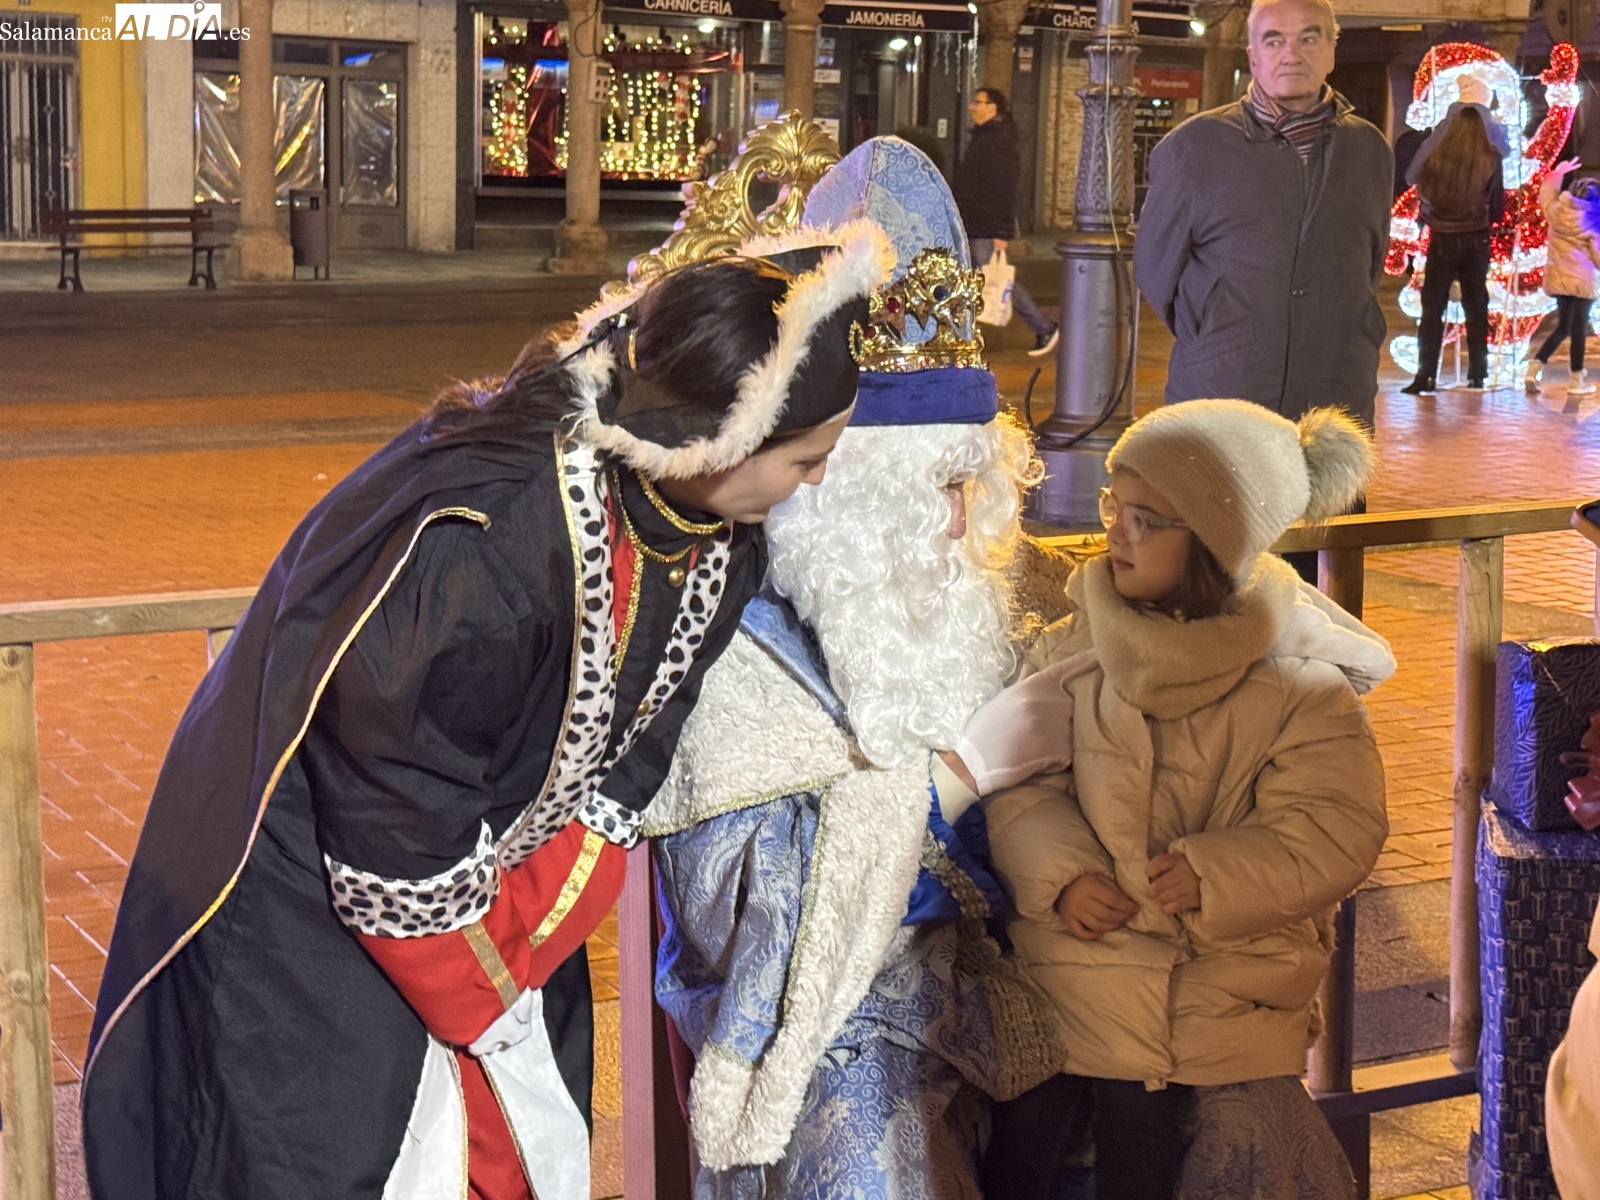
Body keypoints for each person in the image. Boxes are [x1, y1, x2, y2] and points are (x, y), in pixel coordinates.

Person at [79, 224, 894, 1200]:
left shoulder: (716, 530)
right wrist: (479, 972)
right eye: (804, 460)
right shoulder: (487, 537)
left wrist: (533, 924)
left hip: (493, 889)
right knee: (335, 1154)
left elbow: (648, 723)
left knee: (505, 1141)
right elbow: (395, 797)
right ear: (719, 432)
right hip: (317, 899)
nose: (816, 484)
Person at [646, 137, 1068, 1198]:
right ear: (836, 487)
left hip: (1026, 991)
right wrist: (957, 781)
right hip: (839, 1033)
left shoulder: (977, 598)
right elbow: (729, 898)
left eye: (974, 481)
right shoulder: (736, 637)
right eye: (931, 485)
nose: (959, 521)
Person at [956, 399, 1395, 1200]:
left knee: (1144, 1142)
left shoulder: (1301, 687)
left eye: (1146, 519)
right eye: (1112, 508)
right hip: (1078, 960)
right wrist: (1061, 876)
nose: (1115, 533)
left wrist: (1218, 875)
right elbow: (1023, 783)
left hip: (1215, 987)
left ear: (1213, 539)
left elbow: (1337, 827)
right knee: (1023, 1142)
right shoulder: (1076, 648)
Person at [1133, 0, 1392, 430]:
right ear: (1254, 56)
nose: (1291, 54)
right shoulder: (1195, 148)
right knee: (1224, 499)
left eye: (1308, 38)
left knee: (1331, 500)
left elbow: (1369, 260)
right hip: (1225, 394)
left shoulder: (1369, 149)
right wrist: (1219, 334)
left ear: (1331, 49)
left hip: (1336, 399)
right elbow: (1155, 270)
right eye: (1274, 41)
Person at [1401, 78, 1507, 395]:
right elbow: (1498, 205)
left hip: (1441, 238)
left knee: (1432, 310)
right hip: (1476, 239)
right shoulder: (1490, 158)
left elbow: (1418, 186)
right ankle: (1477, 374)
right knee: (1477, 307)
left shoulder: (1437, 157)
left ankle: (1425, 376)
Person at [952, 86, 1060, 356]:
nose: (972, 106)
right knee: (977, 278)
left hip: (985, 226)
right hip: (974, 223)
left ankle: (1044, 327)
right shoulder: (985, 136)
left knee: (998, 280)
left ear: (992, 109)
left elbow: (1003, 187)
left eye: (978, 102)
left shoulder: (997, 140)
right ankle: (960, 335)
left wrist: (1002, 231)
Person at [1527, 157, 1600, 398]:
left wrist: (1558, 172)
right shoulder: (1593, 220)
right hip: (1581, 281)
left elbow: (1546, 194)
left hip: (1558, 278)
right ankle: (1577, 379)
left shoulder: (1557, 211)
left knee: (1563, 327)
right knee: (1578, 329)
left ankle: (1535, 366)